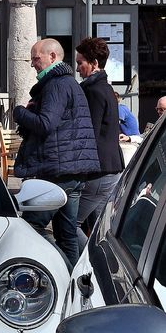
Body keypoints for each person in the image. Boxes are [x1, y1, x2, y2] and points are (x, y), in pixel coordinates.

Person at [14, 38, 100, 269]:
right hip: (70, 171)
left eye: (36, 58)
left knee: (31, 228)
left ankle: (51, 270)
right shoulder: (67, 83)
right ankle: (73, 283)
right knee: (67, 233)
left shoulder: (57, 85)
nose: (33, 64)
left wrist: (20, 112)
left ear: (52, 57)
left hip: (57, 170)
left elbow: (45, 124)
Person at [75, 37, 125, 251]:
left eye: (80, 63)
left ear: (94, 63)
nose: (78, 69)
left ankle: (88, 266)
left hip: (99, 170)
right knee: (98, 230)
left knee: (67, 224)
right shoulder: (105, 88)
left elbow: (89, 134)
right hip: (110, 168)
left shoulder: (93, 91)